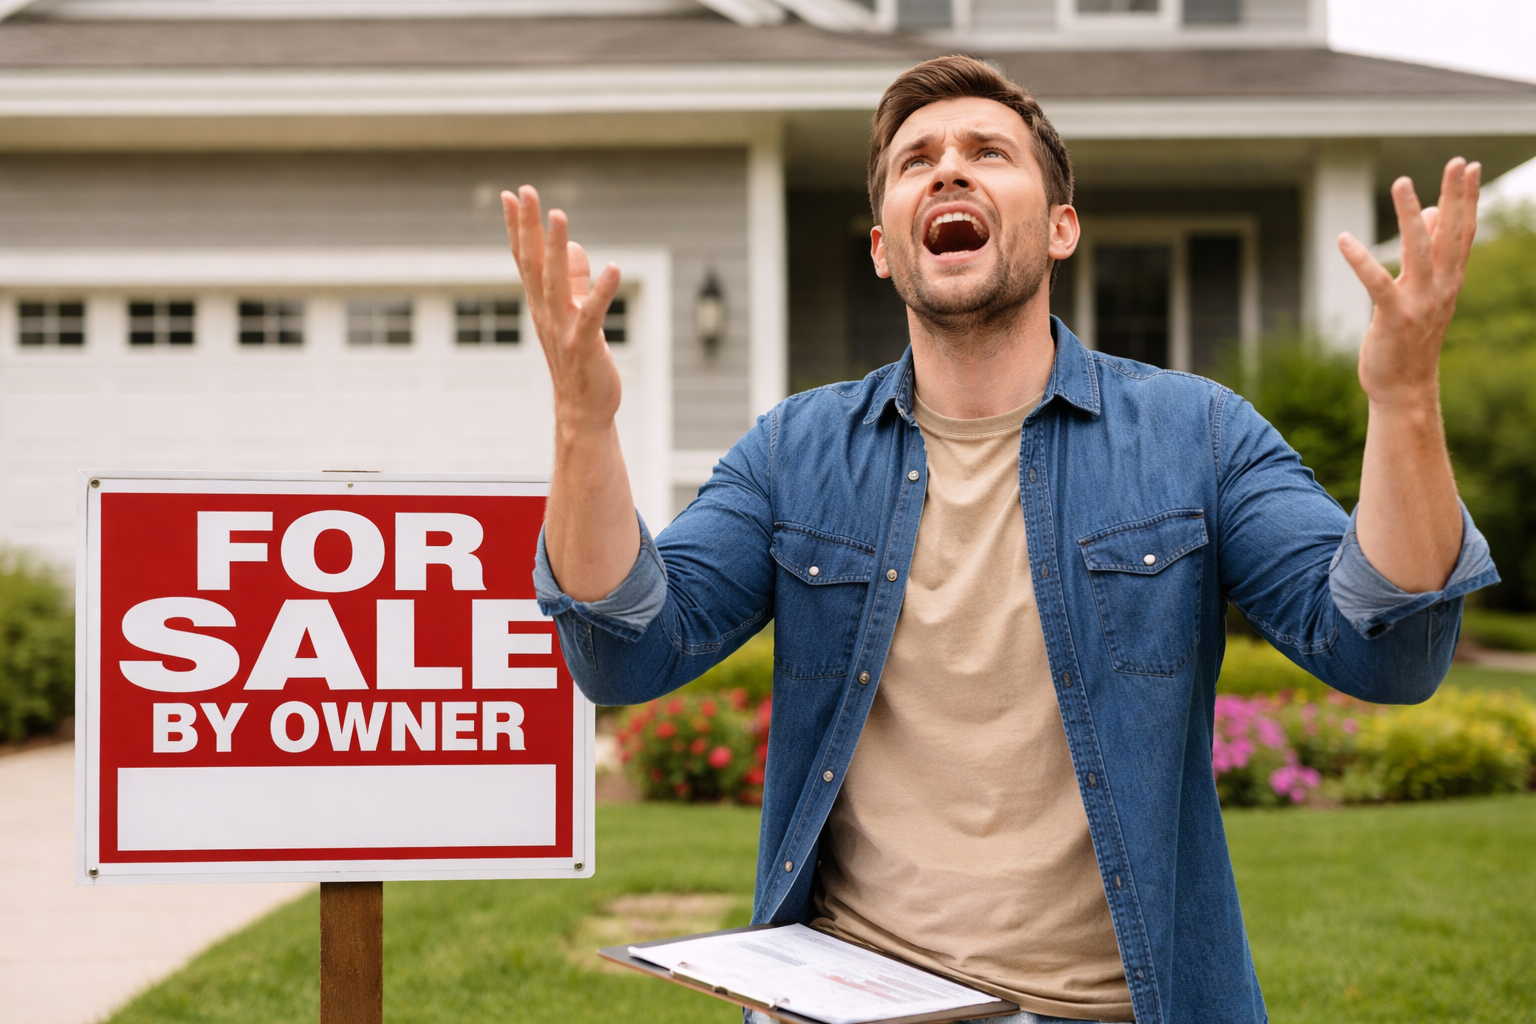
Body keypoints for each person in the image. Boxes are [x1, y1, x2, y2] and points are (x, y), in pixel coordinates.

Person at [502, 55, 1497, 1024]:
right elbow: (627, 651)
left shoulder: (1197, 436)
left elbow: (1386, 651)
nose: (948, 167)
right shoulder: (795, 453)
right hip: (846, 998)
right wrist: (584, 424)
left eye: (989, 150)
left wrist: (1406, 399)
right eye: (916, 158)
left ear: (1061, 227)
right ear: (887, 245)